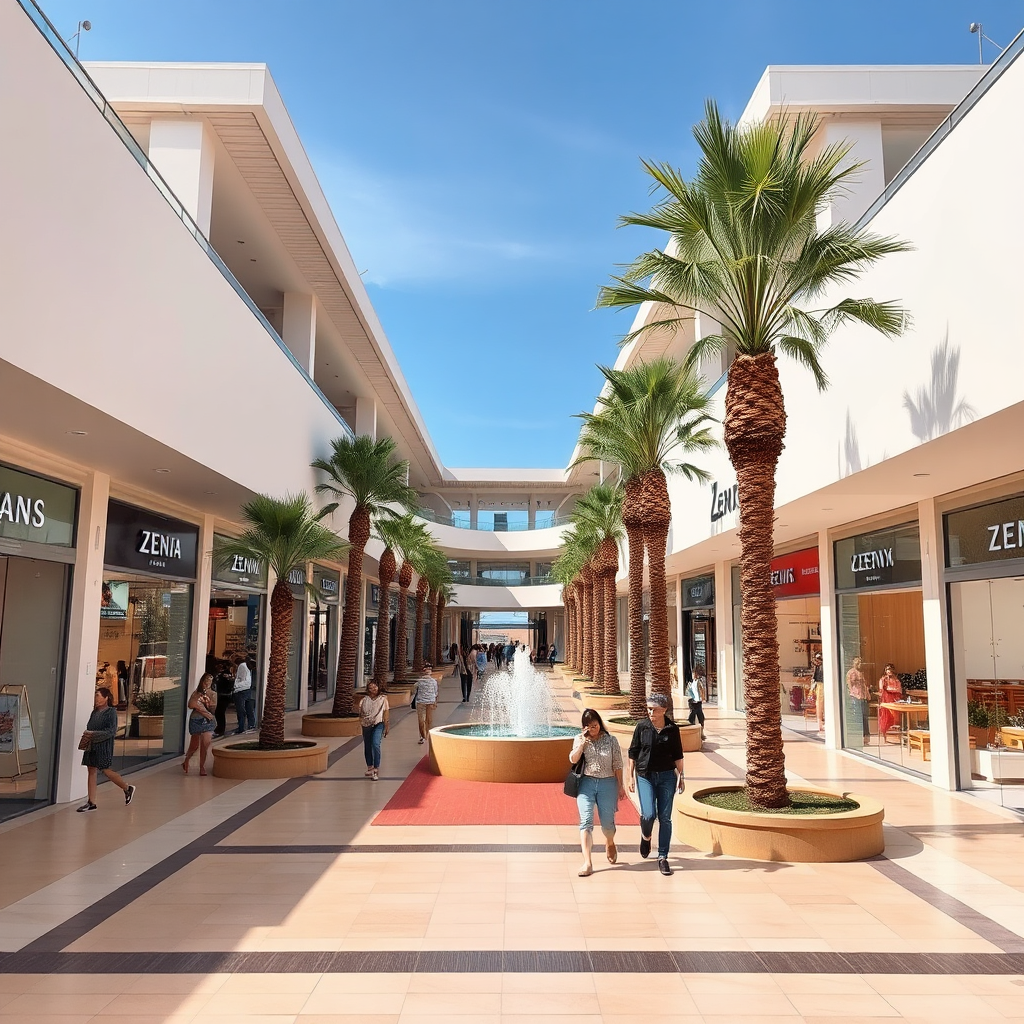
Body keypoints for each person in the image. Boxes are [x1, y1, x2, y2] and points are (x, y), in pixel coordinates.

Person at [627, 692, 684, 876]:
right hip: (645, 775)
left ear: (664, 710)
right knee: (649, 814)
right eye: (649, 708)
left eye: (655, 709)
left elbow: (678, 754)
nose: (651, 712)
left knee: (665, 817)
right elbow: (633, 752)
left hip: (667, 776)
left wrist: (681, 776)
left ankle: (663, 857)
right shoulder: (642, 727)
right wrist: (630, 776)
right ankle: (646, 837)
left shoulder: (672, 729)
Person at [570, 709, 625, 877]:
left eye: (595, 725)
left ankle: (609, 841)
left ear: (599, 724)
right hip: (586, 783)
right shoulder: (580, 739)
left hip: (607, 783)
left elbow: (618, 764)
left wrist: (620, 786)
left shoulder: (611, 740)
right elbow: (572, 759)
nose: (592, 729)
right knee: (586, 821)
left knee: (607, 824)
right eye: (589, 727)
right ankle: (587, 862)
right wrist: (582, 745)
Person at [78, 688, 135, 811]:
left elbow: (111, 731)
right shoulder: (94, 712)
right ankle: (91, 802)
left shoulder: (111, 712)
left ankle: (126, 788)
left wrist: (93, 734)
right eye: (95, 695)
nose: (96, 698)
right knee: (91, 771)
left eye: (98, 695)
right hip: (91, 745)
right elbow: (90, 726)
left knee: (105, 770)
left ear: (106, 698)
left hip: (103, 746)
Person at [182, 673, 217, 775]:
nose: (208, 683)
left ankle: (202, 766)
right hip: (196, 720)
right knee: (194, 745)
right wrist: (202, 709)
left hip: (208, 722)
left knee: (206, 743)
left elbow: (213, 709)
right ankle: (187, 759)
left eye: (210, 681)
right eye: (206, 681)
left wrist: (205, 703)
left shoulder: (213, 694)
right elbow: (191, 704)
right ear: (202, 681)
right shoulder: (196, 693)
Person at [359, 679, 389, 781]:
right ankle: (370, 767)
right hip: (366, 725)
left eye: (375, 687)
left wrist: (386, 726)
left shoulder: (383, 699)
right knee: (367, 745)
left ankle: (376, 768)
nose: (373, 689)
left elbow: (386, 713)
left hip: (379, 724)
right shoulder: (364, 700)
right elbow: (361, 714)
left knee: (376, 744)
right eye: (371, 687)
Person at [846, 657, 871, 745]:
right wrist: (853, 694)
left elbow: (864, 684)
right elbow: (849, 685)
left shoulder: (862, 673)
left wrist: (867, 694)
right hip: (855, 696)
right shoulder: (851, 673)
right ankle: (856, 735)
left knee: (865, 716)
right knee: (857, 716)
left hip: (863, 696)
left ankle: (866, 735)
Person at [414, 662, 438, 745]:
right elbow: (414, 691)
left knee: (429, 720)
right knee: (421, 721)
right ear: (423, 671)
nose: (428, 670)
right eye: (426, 669)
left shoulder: (434, 682)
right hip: (420, 702)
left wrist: (435, 702)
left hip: (430, 702)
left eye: (430, 669)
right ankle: (422, 736)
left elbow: (435, 692)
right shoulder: (419, 682)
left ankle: (426, 736)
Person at [877, 663, 902, 740]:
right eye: (887, 669)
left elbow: (899, 689)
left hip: (895, 700)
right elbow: (881, 690)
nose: (889, 671)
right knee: (886, 717)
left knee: (896, 718)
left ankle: (897, 735)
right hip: (886, 699)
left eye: (890, 669)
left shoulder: (896, 680)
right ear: (885, 670)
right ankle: (885, 735)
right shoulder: (883, 679)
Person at [212, 659, 235, 737]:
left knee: (220, 713)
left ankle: (220, 729)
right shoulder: (224, 675)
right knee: (219, 713)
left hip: (224, 696)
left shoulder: (225, 675)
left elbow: (227, 685)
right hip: (223, 695)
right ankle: (219, 728)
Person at [231, 654, 252, 735]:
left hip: (241, 690)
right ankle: (249, 725)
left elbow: (242, 679)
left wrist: (235, 686)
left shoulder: (242, 666)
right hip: (246, 689)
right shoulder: (245, 665)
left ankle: (241, 727)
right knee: (247, 708)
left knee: (240, 710)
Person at [686, 664, 707, 736]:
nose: (693, 675)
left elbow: (702, 690)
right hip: (693, 702)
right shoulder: (691, 683)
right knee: (692, 715)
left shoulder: (698, 682)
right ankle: (691, 730)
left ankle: (701, 732)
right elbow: (688, 691)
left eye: (694, 674)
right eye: (693, 674)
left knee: (700, 716)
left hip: (698, 702)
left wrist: (702, 698)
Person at [243, 656, 259, 732]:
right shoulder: (249, 672)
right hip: (249, 694)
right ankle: (250, 724)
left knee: (250, 710)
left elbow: (254, 684)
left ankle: (252, 724)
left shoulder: (254, 673)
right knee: (248, 710)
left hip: (252, 694)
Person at [811, 653, 825, 732]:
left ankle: (820, 723)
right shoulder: (819, 666)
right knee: (820, 704)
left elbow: (814, 678)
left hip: (820, 685)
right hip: (820, 685)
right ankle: (820, 723)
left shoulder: (818, 666)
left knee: (820, 704)